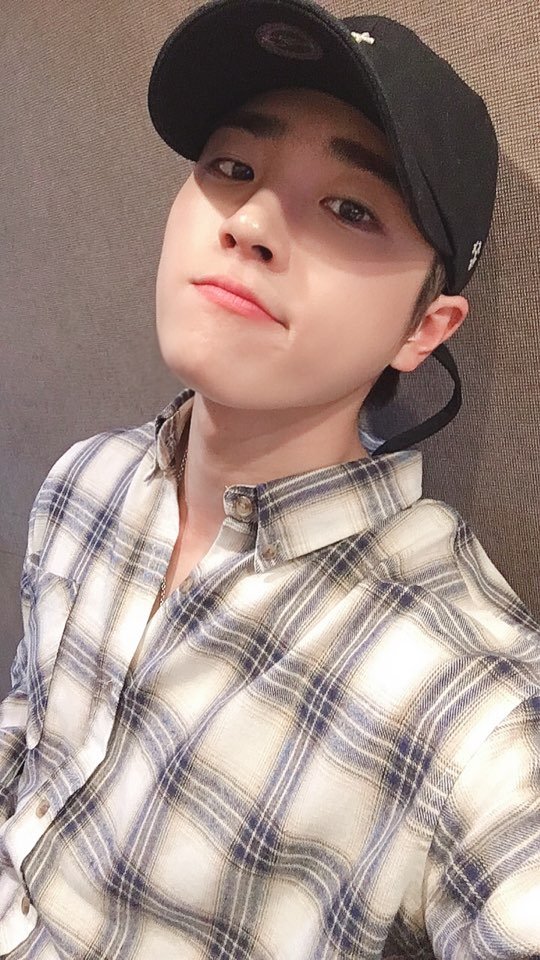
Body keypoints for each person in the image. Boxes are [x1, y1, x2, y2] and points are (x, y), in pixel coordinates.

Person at [1, 0, 539, 956]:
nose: (250, 221)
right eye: (232, 168)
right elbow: (28, 740)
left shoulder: (460, 690)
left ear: (425, 328)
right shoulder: (86, 481)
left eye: (351, 208)